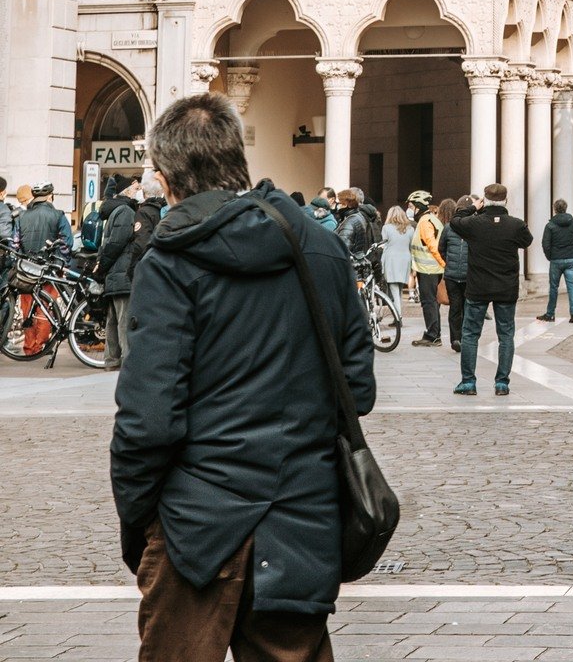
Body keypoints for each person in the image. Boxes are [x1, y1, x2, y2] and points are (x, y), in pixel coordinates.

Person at [110, 91, 376, 661]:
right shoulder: (321, 248)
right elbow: (357, 389)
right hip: (300, 520)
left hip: (196, 526)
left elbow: (148, 418)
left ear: (166, 176)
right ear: (237, 157)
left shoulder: (172, 261)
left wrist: (139, 519)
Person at [453, 183, 532, 397]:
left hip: (478, 287)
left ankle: (468, 382)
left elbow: (454, 221)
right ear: (505, 201)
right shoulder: (515, 225)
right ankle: (502, 383)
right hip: (506, 287)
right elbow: (528, 241)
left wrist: (472, 207)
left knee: (470, 334)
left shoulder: (474, 223)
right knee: (506, 335)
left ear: (484, 201)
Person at [94, 175, 141, 373]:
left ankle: (111, 360)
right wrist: (133, 232)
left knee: (113, 320)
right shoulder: (125, 212)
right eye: (135, 188)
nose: (138, 191)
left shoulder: (116, 211)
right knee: (123, 320)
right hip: (121, 273)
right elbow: (116, 243)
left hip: (114, 274)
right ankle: (127, 363)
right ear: (127, 191)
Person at [408, 190, 446, 347]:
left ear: (418, 206)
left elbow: (433, 245)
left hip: (428, 268)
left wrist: (443, 264)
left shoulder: (424, 222)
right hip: (432, 268)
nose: (410, 210)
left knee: (428, 302)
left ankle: (432, 335)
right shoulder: (433, 219)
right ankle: (434, 334)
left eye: (412, 206)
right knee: (433, 302)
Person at [437, 196, 472, 350]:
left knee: (456, 308)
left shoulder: (448, 227)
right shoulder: (452, 227)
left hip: (455, 274)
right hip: (461, 275)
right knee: (462, 307)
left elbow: (441, 249)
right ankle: (458, 339)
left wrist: (449, 262)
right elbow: (441, 248)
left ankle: (457, 338)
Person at [538, 198, 573, 322]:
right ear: (566, 208)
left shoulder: (550, 225)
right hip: (571, 258)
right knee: (572, 287)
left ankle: (550, 314)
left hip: (556, 259)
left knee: (553, 287)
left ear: (555, 209)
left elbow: (545, 243)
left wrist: (550, 256)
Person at [18, 181, 73, 254]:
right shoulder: (58, 215)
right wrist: (58, 262)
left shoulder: (21, 216)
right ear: (50, 196)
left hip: (27, 263)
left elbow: (15, 244)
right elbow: (67, 243)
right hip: (50, 263)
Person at [381, 204, 412, 312]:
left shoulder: (386, 228)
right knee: (399, 290)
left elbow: (384, 246)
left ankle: (398, 318)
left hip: (391, 260)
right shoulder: (410, 229)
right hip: (405, 260)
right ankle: (398, 316)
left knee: (394, 289)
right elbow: (411, 246)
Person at [334, 188, 370, 259]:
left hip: (348, 263)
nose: (338, 207)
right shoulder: (358, 216)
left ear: (348, 204)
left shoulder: (350, 221)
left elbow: (342, 248)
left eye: (341, 204)